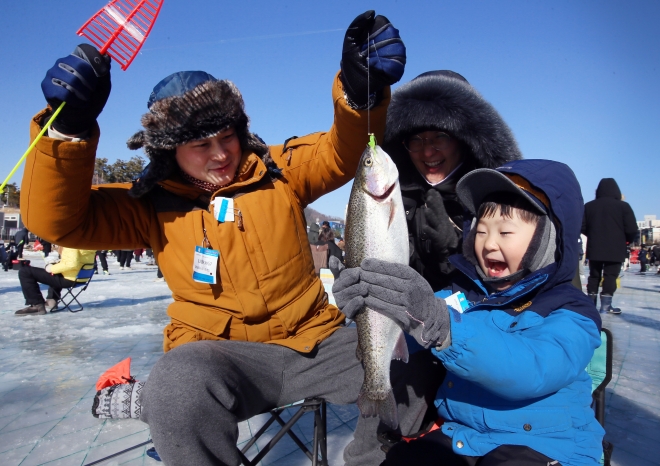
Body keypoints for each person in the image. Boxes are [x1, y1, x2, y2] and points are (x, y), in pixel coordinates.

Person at [21, 11, 439, 466]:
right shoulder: (145, 204)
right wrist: (67, 131)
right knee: (174, 389)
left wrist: (362, 95)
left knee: (410, 364)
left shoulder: (279, 172)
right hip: (219, 354)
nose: (220, 154)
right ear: (169, 152)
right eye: (201, 145)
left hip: (315, 340)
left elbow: (343, 151)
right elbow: (57, 220)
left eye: (227, 137)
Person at [334, 159, 605, 466]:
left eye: (505, 233)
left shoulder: (571, 310)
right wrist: (374, 305)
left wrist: (445, 328)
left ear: (548, 239)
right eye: (482, 230)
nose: (488, 244)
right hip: (464, 438)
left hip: (546, 446)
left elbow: (531, 370)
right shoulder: (462, 296)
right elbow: (407, 331)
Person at [382, 70, 522, 292]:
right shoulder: (391, 199)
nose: (428, 151)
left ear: (464, 140)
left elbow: (520, 287)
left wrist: (454, 253)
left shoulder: (506, 200)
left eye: (440, 137)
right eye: (416, 140)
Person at [582, 178, 637, 314]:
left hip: (595, 247)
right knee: (611, 276)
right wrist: (626, 240)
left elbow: (582, 227)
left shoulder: (589, 206)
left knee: (594, 276)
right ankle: (606, 306)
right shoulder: (624, 207)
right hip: (616, 248)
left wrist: (594, 234)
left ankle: (590, 304)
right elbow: (631, 229)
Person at [15, 247, 96, 315]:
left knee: (25, 271)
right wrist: (56, 264)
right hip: (80, 278)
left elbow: (71, 264)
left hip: (68, 279)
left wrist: (50, 268)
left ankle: (37, 305)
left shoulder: (71, 243)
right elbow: (77, 262)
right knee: (56, 270)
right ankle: (52, 300)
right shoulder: (87, 244)